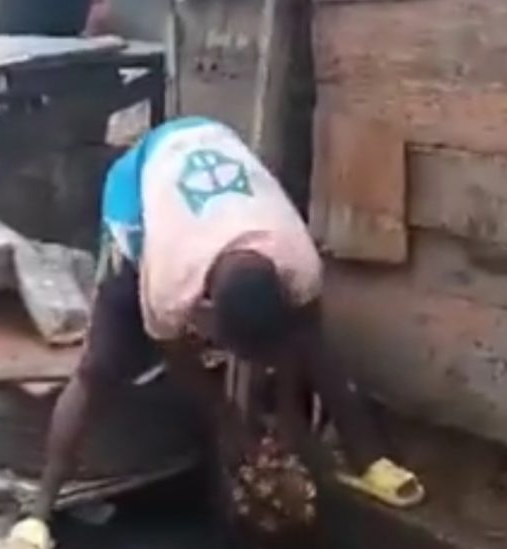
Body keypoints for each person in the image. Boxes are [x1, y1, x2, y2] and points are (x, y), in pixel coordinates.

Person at [30, 115, 424, 527]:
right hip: (142, 179)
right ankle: (41, 507)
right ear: (207, 313)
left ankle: (370, 458)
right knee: (103, 364)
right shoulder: (168, 283)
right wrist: (226, 418)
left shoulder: (299, 261)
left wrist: (290, 410)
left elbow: (301, 334)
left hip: (212, 144)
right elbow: (176, 352)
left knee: (314, 343)